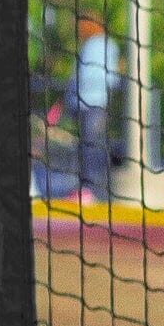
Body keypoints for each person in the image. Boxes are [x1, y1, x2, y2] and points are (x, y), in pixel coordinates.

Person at [56, 17, 115, 195]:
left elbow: (84, 75)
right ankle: (89, 188)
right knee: (90, 146)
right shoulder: (102, 45)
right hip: (91, 103)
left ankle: (90, 189)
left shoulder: (97, 45)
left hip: (91, 103)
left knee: (90, 146)